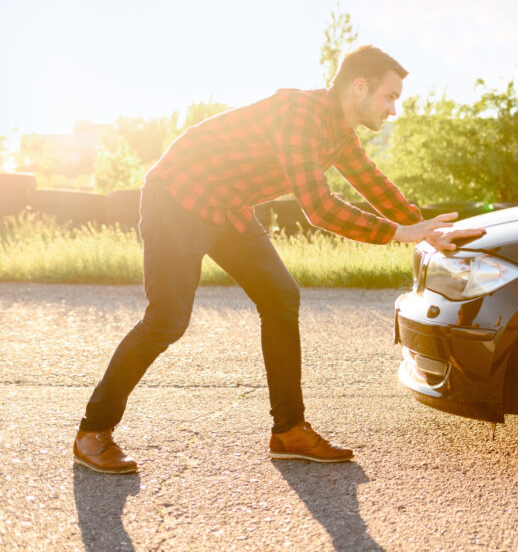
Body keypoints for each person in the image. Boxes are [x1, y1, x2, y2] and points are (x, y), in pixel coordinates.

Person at [74, 45, 483, 474]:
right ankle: (92, 432)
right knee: (167, 320)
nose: (393, 109)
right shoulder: (299, 116)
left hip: (227, 208)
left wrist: (426, 228)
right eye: (390, 96)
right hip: (178, 198)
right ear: (359, 87)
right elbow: (319, 208)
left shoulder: (340, 132)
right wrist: (402, 234)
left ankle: (289, 430)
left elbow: (373, 184)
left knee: (280, 297)